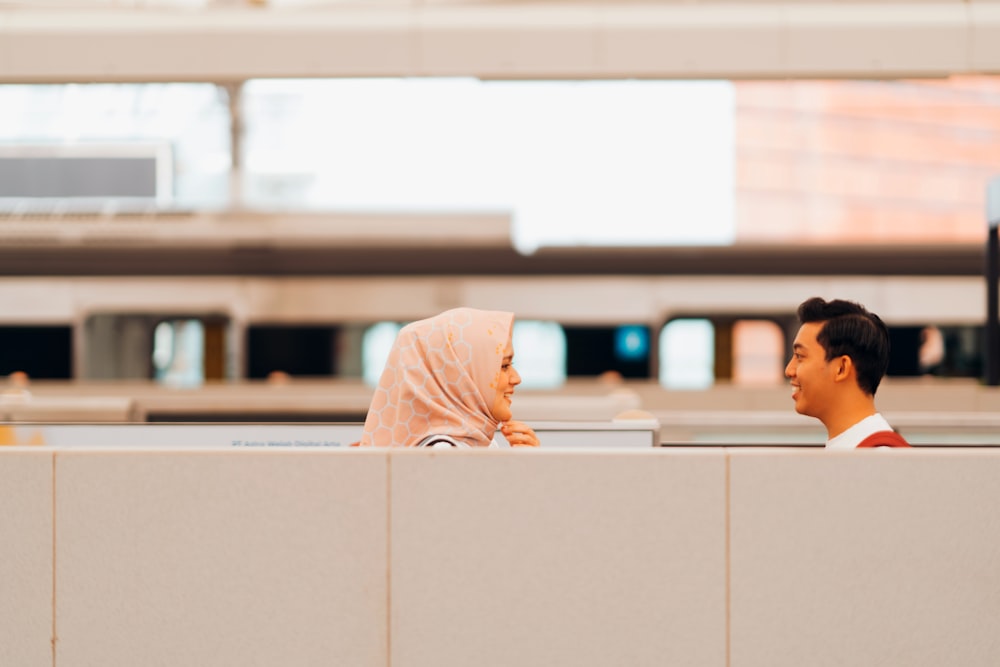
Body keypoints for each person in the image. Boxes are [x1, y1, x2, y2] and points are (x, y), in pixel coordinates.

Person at [358, 307, 540, 448]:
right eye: (504, 366)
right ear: (463, 376)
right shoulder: (442, 453)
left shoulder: (478, 445)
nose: (516, 379)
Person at [785, 297, 910, 449]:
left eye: (800, 356)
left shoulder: (879, 459)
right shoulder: (856, 449)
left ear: (841, 368)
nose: (789, 370)